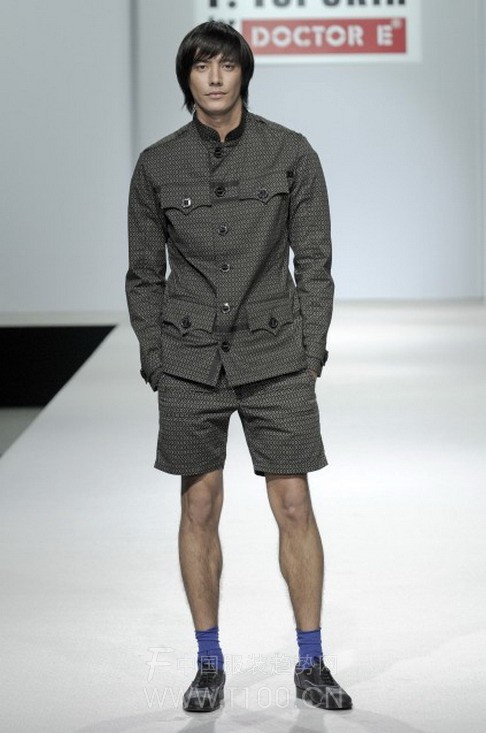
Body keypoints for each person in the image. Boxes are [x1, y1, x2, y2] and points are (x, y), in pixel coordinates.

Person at [125, 20, 352, 713]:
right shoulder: (157, 165)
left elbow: (315, 260)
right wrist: (157, 358)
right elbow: (143, 274)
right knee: (199, 503)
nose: (216, 77)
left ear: (245, 72)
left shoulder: (290, 152)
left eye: (226, 64)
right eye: (202, 66)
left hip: (275, 353)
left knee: (294, 503)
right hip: (189, 357)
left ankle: (311, 659)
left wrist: (310, 351)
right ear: (187, 78)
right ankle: (208, 662)